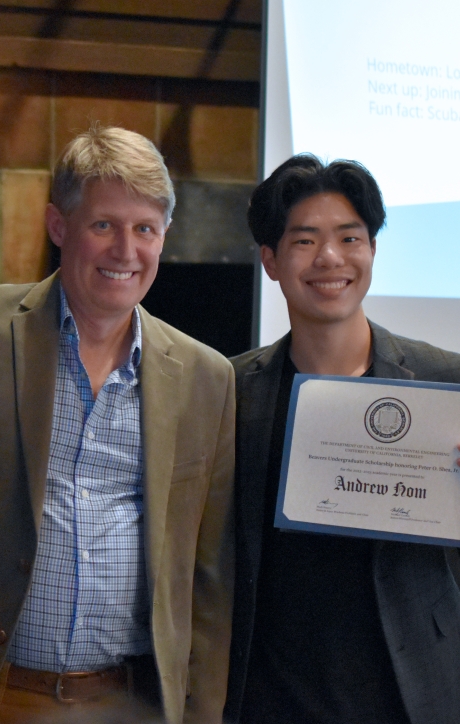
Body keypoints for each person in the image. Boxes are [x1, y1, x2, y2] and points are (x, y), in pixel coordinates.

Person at [0, 125, 235, 724]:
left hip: (131, 702)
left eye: (145, 229)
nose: (125, 251)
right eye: (104, 225)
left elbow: (207, 576)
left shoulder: (206, 377)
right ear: (59, 227)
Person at [224, 154, 460, 724]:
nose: (330, 258)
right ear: (270, 261)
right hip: (269, 698)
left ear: (372, 250)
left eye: (349, 237)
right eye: (304, 241)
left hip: (415, 693)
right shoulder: (229, 391)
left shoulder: (445, 384)